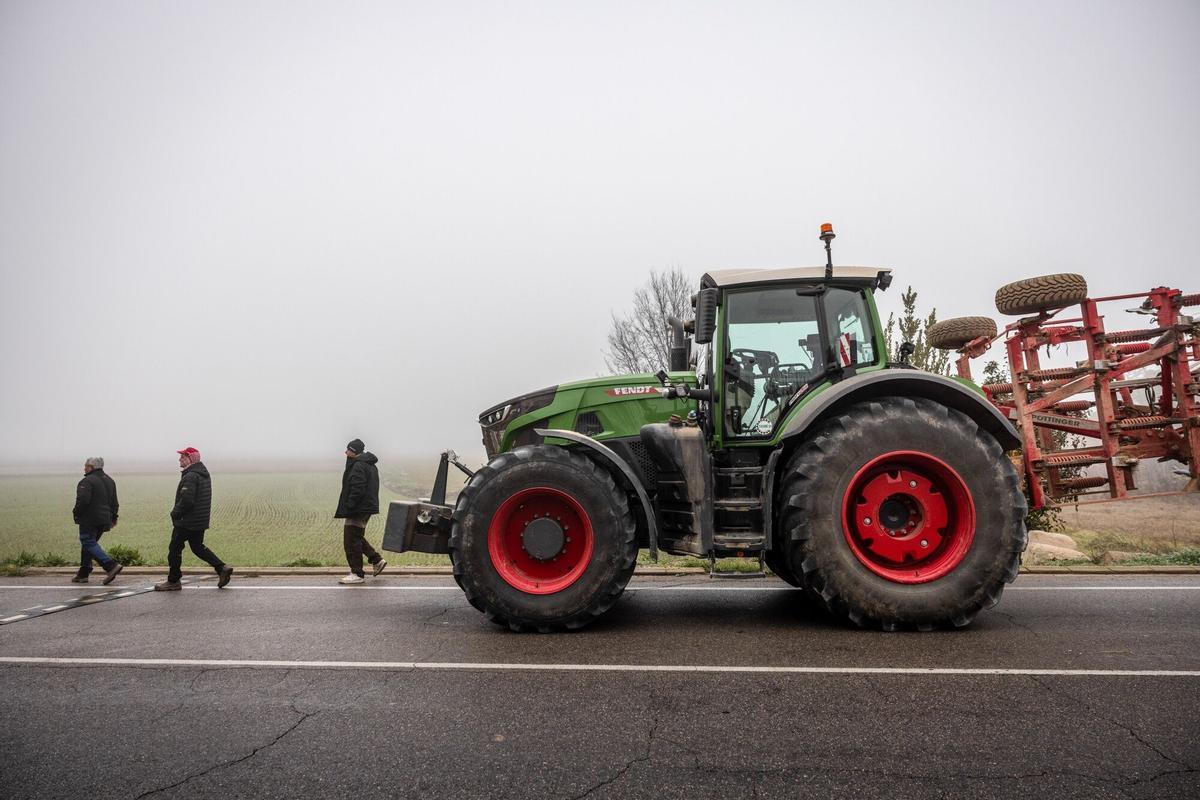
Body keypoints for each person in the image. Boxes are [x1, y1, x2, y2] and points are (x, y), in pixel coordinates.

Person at [155, 447, 233, 591]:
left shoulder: (190, 476)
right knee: (197, 547)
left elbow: (187, 501)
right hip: (199, 520)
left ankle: (173, 581)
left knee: (174, 549)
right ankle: (221, 567)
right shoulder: (202, 474)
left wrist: (175, 513)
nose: (180, 459)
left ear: (191, 459)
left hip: (187, 521)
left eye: (183, 457)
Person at [335, 438, 385, 585]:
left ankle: (357, 573)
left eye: (348, 450)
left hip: (358, 508)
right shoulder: (370, 465)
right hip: (366, 507)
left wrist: (350, 506)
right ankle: (377, 560)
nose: (345, 452)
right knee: (356, 536)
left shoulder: (358, 466)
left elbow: (357, 488)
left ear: (354, 451)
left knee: (350, 540)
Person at [72, 457, 123, 585]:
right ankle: (83, 573)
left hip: (90, 519)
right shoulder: (110, 481)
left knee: (88, 542)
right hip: (104, 520)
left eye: (86, 465)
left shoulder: (87, 481)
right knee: (89, 544)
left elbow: (83, 501)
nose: (84, 468)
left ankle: (110, 566)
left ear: (92, 467)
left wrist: (76, 513)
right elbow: (114, 502)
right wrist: (114, 518)